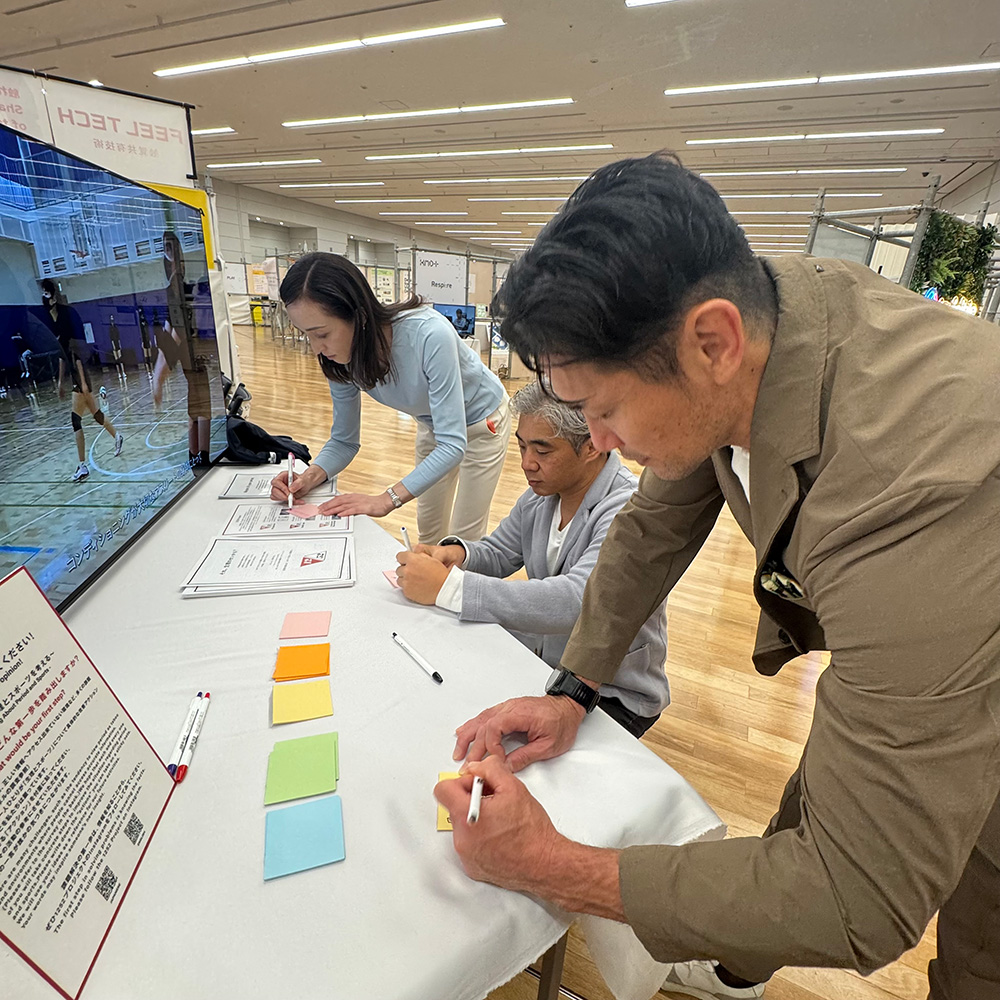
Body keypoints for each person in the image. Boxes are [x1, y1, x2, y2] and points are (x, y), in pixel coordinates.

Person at [433, 153, 1000, 1000]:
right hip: (934, 630)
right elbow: (650, 530)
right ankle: (736, 969)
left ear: (714, 343)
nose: (599, 444)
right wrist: (574, 691)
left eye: (603, 411)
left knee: (981, 938)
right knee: (817, 800)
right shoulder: (759, 328)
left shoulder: (911, 491)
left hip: (968, 626)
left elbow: (862, 899)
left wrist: (554, 866)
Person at [395, 381, 670, 737]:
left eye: (542, 450)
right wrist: (457, 554)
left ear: (592, 446)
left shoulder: (627, 508)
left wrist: (450, 589)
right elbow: (501, 551)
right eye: (522, 446)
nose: (527, 464)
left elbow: (579, 601)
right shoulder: (543, 494)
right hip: (547, 665)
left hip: (612, 690)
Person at [270, 253, 511, 543]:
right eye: (306, 335)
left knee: (462, 538)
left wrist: (386, 499)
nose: (315, 349)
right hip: (433, 424)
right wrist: (308, 478)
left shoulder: (428, 334)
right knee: (429, 528)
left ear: (359, 317)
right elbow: (344, 441)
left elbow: (453, 444)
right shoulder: (339, 359)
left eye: (321, 334)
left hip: (483, 422)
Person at [44, 279, 123, 482]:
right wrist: (60, 383)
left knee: (75, 420)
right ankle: (117, 436)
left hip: (80, 379)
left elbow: (76, 355)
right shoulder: (57, 329)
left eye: (46, 294)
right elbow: (62, 358)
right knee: (96, 415)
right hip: (77, 379)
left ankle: (82, 466)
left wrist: (84, 385)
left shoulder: (66, 324)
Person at [153, 231, 213, 468]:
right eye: (165, 246)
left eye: (171, 246)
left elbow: (175, 328)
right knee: (200, 406)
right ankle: (199, 457)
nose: (168, 250)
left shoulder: (178, 284)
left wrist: (159, 374)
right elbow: (173, 329)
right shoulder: (174, 286)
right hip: (191, 357)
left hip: (195, 355)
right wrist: (159, 375)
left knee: (198, 405)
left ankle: (197, 456)